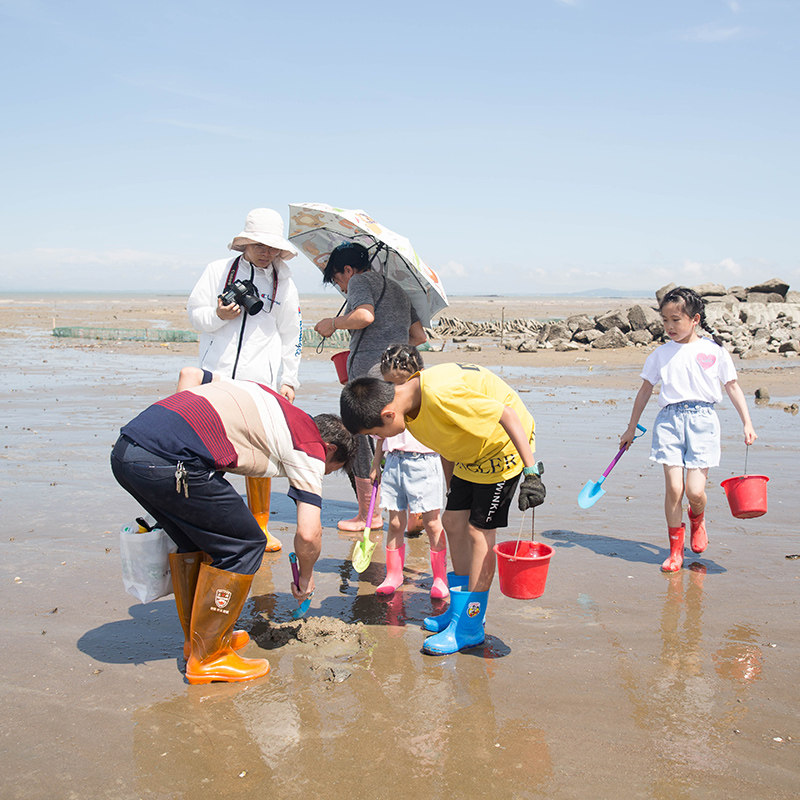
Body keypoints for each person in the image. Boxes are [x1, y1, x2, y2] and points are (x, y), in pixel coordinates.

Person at [110, 378, 355, 684]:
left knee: (193, 540)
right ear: (329, 449)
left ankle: (200, 639)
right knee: (245, 543)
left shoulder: (280, 412)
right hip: (168, 460)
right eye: (329, 469)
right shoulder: (310, 445)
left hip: (127, 452)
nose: (321, 472)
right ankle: (210, 657)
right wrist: (305, 578)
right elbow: (308, 533)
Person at [340, 363, 546, 656]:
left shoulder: (440, 395)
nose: (381, 440)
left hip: (502, 449)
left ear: (387, 414)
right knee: (452, 521)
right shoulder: (407, 406)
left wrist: (532, 474)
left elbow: (506, 414)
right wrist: (452, 489)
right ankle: (458, 613)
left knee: (479, 532)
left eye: (376, 434)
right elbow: (445, 442)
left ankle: (471, 624)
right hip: (469, 454)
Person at [186, 208, 303, 552]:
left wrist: (289, 380)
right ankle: (209, 521)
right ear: (245, 243)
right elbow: (195, 315)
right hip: (216, 374)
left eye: (272, 247)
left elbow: (292, 333)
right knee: (209, 448)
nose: (267, 253)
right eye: (260, 246)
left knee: (260, 454)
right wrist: (218, 315)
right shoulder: (217, 272)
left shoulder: (284, 281)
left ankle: (260, 527)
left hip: (260, 381)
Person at [619, 286, 757, 573]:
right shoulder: (660, 354)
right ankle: (674, 552)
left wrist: (747, 422)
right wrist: (631, 427)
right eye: (665, 320)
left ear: (694, 319)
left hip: (703, 421)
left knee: (695, 491)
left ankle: (697, 518)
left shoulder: (713, 350)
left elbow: (732, 386)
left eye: (676, 320)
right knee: (674, 487)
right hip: (668, 421)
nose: (669, 326)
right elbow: (645, 391)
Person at [314, 241, 427, 533]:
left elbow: (364, 316)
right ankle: (412, 513)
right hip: (398, 373)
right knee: (398, 439)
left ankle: (368, 515)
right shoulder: (400, 291)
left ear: (348, 270)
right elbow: (418, 336)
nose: (342, 287)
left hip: (368, 376)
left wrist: (333, 323)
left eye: (339, 280)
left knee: (364, 438)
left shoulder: (361, 281)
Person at [369, 344, 448, 599]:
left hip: (426, 463)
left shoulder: (428, 398)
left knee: (433, 522)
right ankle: (394, 574)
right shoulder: (385, 400)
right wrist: (375, 463)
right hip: (394, 463)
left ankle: (440, 577)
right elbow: (380, 435)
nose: (396, 389)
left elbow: (445, 437)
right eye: (390, 383)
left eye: (401, 383)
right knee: (394, 522)